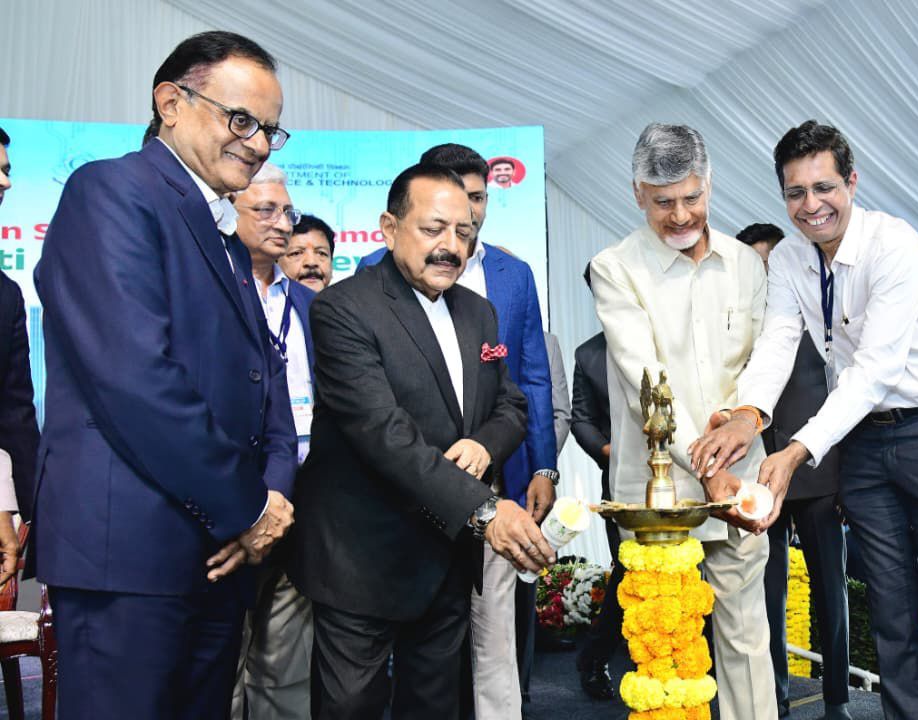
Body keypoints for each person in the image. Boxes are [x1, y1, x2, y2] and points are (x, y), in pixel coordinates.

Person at [34, 31, 297, 718]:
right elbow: (136, 384)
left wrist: (267, 498)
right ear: (171, 103)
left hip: (215, 557)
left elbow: (261, 381)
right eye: (241, 120)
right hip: (130, 558)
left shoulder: (220, 233)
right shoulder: (111, 191)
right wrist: (250, 506)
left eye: (271, 129)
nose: (259, 143)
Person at [692, 120, 918, 719]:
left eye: (824, 187)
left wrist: (796, 450)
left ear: (852, 182)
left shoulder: (894, 244)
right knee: (889, 608)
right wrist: (747, 415)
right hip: (862, 441)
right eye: (796, 193)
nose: (812, 206)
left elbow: (876, 369)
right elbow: (777, 341)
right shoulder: (792, 259)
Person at [289, 163, 548, 719]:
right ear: (389, 227)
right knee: (350, 709)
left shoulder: (478, 312)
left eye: (463, 232)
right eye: (433, 229)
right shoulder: (344, 308)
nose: (450, 247)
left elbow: (511, 403)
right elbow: (383, 432)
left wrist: (483, 444)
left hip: (445, 558)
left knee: (434, 706)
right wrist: (485, 511)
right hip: (361, 559)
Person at [591, 123, 777, 720]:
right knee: (665, 653)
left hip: (740, 487)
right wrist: (709, 463)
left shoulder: (747, 264)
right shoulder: (615, 268)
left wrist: (735, 449)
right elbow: (644, 379)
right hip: (659, 499)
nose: (679, 215)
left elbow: (756, 370)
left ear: (710, 185)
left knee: (747, 638)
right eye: (663, 201)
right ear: (637, 194)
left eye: (691, 198)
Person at [737, 222, 851, 720]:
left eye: (771, 262)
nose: (765, 273)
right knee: (766, 594)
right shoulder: (735, 329)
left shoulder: (818, 321)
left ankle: (837, 699)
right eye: (755, 266)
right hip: (756, 479)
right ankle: (774, 699)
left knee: (831, 591)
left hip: (817, 475)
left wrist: (843, 473)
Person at [228, 162, 317, 720]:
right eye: (265, 210)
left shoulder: (310, 303)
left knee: (287, 671)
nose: (282, 223)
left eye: (288, 212)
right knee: (221, 666)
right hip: (231, 504)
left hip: (304, 500)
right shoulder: (210, 291)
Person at [572, 265, 621, 700]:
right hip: (622, 485)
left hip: (693, 480)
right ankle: (595, 656)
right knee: (629, 575)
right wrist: (611, 454)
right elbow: (582, 420)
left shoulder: (673, 335)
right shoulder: (589, 354)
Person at [0, 124, 39, 586]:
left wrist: (22, 508)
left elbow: (12, 413)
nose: (6, 182)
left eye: (7, 171)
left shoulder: (7, 296)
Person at [281, 213, 334, 292]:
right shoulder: (262, 303)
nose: (311, 262)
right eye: (296, 253)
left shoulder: (348, 303)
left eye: (321, 253)